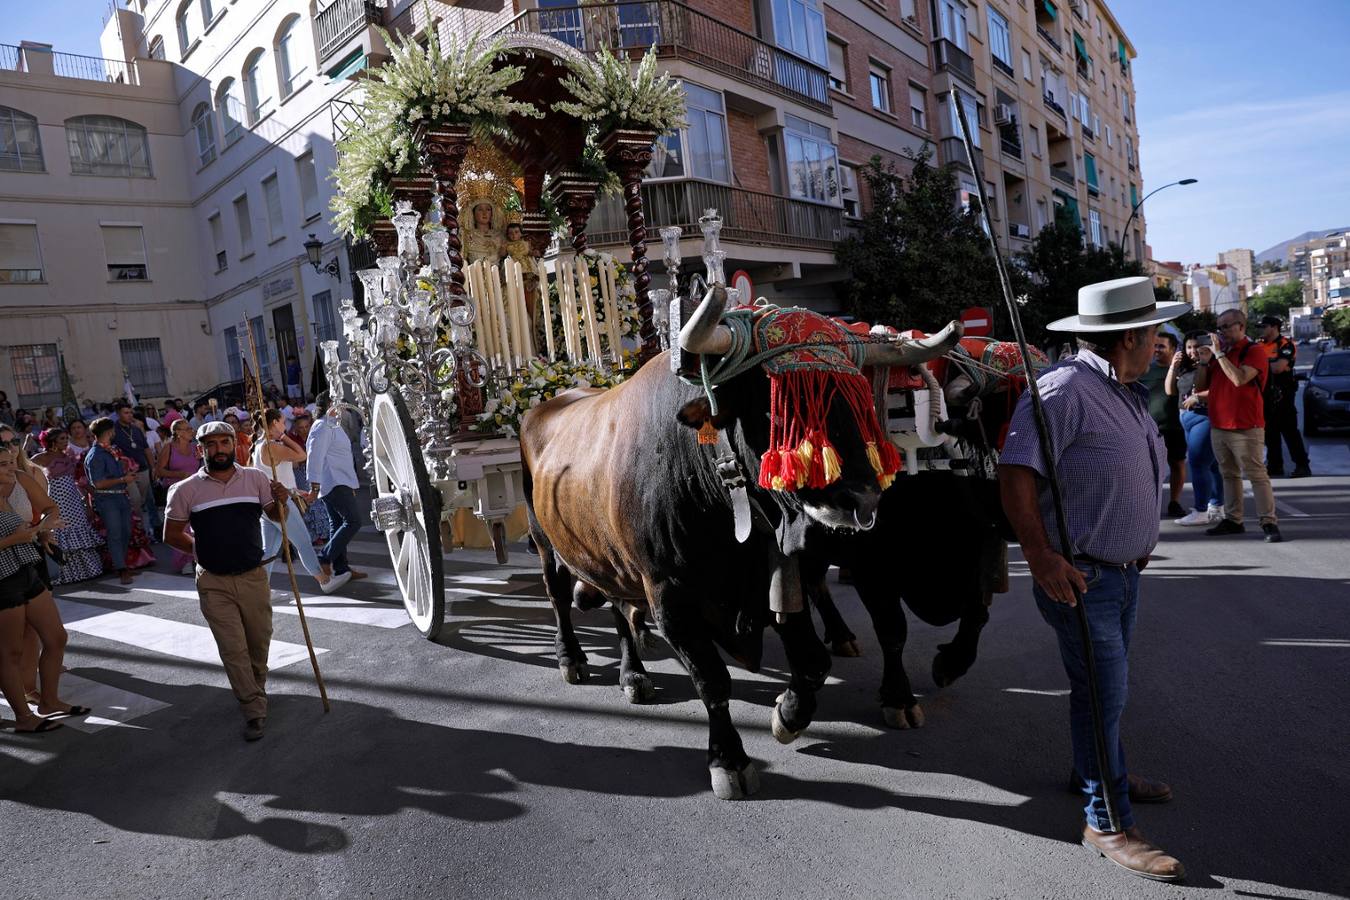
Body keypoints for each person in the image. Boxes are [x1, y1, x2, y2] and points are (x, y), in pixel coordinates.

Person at [999, 276, 1188, 883]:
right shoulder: (1064, 391)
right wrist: (1041, 557)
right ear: (1130, 335)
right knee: (1105, 694)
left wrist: (1137, 539)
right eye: (1155, 331)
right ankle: (1107, 823)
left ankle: (1096, 770)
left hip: (1121, 573)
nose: (1160, 342)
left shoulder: (1124, 390)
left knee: (1099, 695)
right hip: (1080, 579)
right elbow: (1015, 474)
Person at [163, 421, 291, 741]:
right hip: (213, 581)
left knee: (258, 642)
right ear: (200, 449)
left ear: (235, 445)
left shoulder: (256, 478)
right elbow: (171, 534)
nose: (218, 449)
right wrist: (201, 551)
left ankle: (255, 688)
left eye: (224, 443)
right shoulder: (184, 490)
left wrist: (282, 500)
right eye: (211, 444)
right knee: (233, 650)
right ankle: (253, 708)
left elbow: (276, 517)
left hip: (252, 577)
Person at [0, 446, 90, 733]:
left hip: (27, 566)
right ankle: (23, 718)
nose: (9, 468)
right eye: (2, 464)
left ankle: (49, 701)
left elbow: (50, 507)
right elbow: (15, 536)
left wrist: (44, 529)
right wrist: (18, 538)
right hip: (2, 579)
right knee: (10, 653)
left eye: (11, 462)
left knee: (56, 637)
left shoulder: (20, 479)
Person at [1204, 310, 1282, 543]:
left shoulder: (1254, 351)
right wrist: (1204, 361)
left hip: (1246, 425)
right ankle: (1233, 520)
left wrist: (1218, 354)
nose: (1222, 332)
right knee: (1228, 474)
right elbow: (1205, 385)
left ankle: (1269, 522)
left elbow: (1239, 379)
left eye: (1226, 327)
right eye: (1219, 327)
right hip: (1219, 424)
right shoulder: (1222, 354)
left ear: (1240, 326)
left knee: (1257, 475)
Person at [254, 410, 346, 594]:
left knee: (269, 551)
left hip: (269, 502)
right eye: (281, 422)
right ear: (273, 424)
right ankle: (324, 580)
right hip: (280, 502)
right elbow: (302, 454)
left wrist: (295, 491)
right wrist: (284, 437)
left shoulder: (259, 444)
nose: (284, 425)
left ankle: (259, 591)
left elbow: (276, 476)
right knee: (303, 542)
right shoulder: (271, 446)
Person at [30, 428, 104, 584]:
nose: (66, 441)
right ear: (52, 441)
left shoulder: (69, 455)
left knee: (79, 529)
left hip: (73, 498)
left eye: (66, 438)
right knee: (61, 531)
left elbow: (79, 479)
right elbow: (25, 468)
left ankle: (89, 569)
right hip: (57, 500)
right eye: (62, 438)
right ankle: (66, 573)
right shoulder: (42, 457)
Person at [306, 392, 365, 583]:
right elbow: (314, 458)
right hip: (334, 482)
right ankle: (324, 556)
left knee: (338, 524)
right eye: (338, 404)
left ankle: (341, 568)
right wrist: (314, 487)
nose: (341, 408)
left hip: (341, 480)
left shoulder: (332, 425)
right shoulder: (322, 427)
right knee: (353, 521)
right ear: (330, 405)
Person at [1167, 334, 1224, 526]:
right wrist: (1173, 366)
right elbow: (1170, 391)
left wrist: (1204, 362)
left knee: (1198, 464)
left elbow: (1205, 388)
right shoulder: (1184, 366)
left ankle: (1202, 509)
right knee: (1211, 465)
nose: (1193, 352)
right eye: (1189, 347)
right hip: (1186, 418)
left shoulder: (1211, 364)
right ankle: (1217, 507)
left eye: (1198, 348)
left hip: (1203, 417)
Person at [1138, 332, 1187, 518]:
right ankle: (1150, 504)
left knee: (1177, 464)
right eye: (1155, 345)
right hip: (1151, 428)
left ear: (1173, 349)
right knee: (1149, 469)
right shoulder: (1145, 371)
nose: (1156, 350)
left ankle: (1174, 502)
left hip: (1176, 427)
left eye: (1161, 346)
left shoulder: (1182, 370)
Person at [85, 417, 138, 584]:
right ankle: (121, 568)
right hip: (107, 499)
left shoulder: (110, 450)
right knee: (115, 533)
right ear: (109, 432)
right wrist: (123, 479)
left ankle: (121, 564)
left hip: (120, 495)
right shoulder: (95, 455)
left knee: (125, 531)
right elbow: (98, 483)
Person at [1257, 315, 1311, 478]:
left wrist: (1260, 365)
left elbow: (1279, 367)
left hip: (1283, 394)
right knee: (1269, 432)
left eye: (1264, 326)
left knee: (1289, 432)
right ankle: (1275, 465)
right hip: (1265, 394)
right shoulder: (1259, 345)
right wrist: (1266, 364)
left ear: (1274, 327)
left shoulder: (1285, 344)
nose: (1261, 330)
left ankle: (1302, 466)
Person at [155, 419, 200, 575]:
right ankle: (184, 561)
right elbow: (159, 471)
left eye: (190, 428)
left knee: (198, 524)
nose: (191, 431)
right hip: (176, 490)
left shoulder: (195, 447)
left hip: (195, 489)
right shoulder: (168, 448)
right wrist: (179, 474)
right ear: (178, 433)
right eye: (187, 429)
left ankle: (199, 557)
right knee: (182, 526)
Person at [112, 401, 159, 536]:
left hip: (143, 469)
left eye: (130, 412)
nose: (129, 415)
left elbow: (146, 450)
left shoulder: (137, 429)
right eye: (126, 413)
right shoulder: (113, 431)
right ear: (118, 414)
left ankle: (139, 526)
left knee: (142, 501)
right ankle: (140, 530)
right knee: (135, 500)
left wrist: (153, 467)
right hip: (128, 473)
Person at [287, 411, 331, 548]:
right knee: (307, 503)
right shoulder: (292, 441)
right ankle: (313, 536)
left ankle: (325, 533)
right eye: (301, 427)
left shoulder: (315, 436)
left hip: (317, 472)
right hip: (300, 474)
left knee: (320, 502)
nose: (304, 430)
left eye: (307, 426)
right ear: (295, 428)